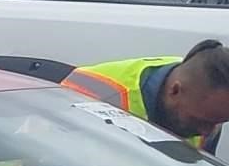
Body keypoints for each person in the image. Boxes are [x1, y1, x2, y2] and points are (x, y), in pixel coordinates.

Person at [61, 39, 229, 153]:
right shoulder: (91, 91)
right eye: (200, 120)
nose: (207, 132)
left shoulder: (209, 99)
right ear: (174, 90)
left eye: (218, 122)